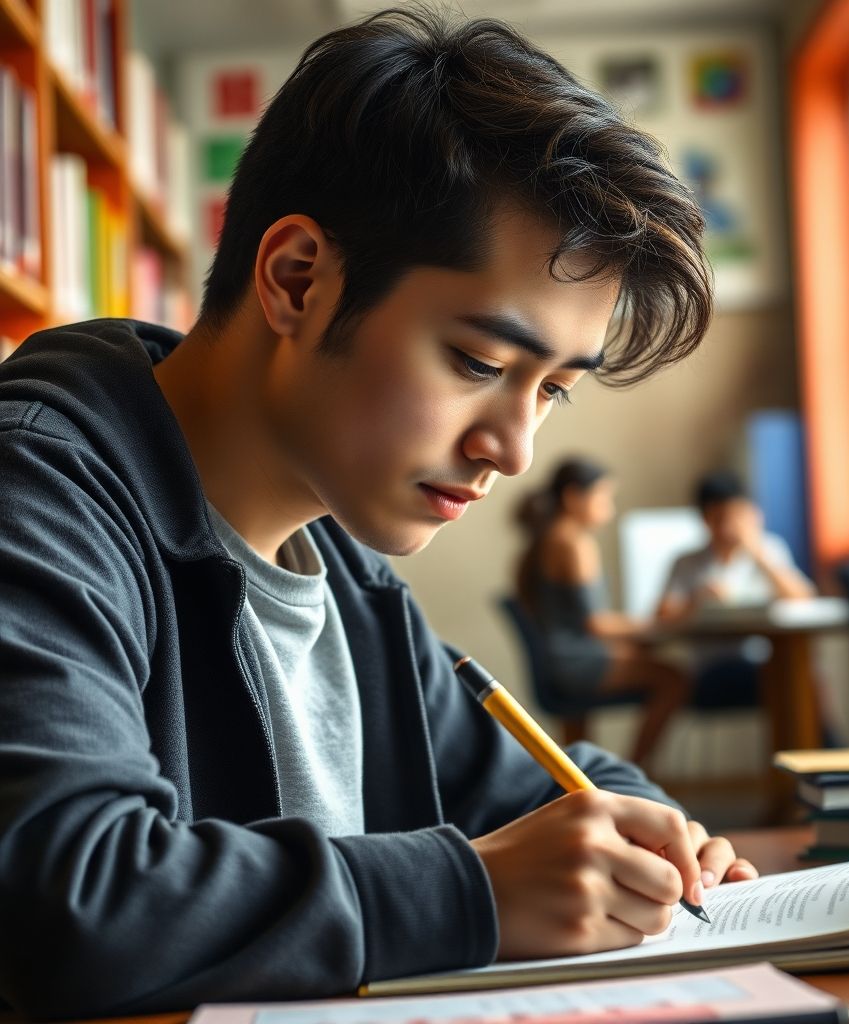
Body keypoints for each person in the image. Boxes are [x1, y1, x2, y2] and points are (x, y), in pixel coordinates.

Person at [0, 8, 757, 1017]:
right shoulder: (40, 498)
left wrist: (652, 838)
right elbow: (73, 898)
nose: (512, 448)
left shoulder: (346, 578)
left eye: (550, 390)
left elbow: (543, 783)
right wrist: (474, 890)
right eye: (479, 363)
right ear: (297, 279)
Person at [514, 459, 690, 768]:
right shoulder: (573, 543)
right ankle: (634, 769)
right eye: (603, 496)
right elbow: (596, 624)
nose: (609, 507)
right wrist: (659, 623)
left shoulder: (550, 538)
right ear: (573, 498)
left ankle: (613, 773)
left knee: (647, 651)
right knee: (673, 678)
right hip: (574, 662)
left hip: (560, 657)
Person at [655, 471, 815, 705]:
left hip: (765, 657)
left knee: (805, 676)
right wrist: (697, 599)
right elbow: (661, 616)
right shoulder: (688, 562)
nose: (729, 527)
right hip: (711, 666)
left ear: (752, 514)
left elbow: (804, 598)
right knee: (790, 680)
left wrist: (758, 554)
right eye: (719, 518)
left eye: (736, 516)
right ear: (704, 520)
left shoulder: (769, 549)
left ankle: (825, 742)